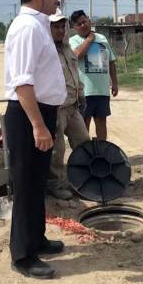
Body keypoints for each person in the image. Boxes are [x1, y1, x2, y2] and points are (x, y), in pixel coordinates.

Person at [4, 0, 66, 279]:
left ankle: (36, 239)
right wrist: (39, 126)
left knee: (38, 182)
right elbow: (23, 83)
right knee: (26, 186)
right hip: (29, 114)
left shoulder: (39, 26)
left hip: (42, 113)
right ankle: (23, 256)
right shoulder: (26, 28)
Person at [48, 11, 90, 200]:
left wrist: (81, 95)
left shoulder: (66, 49)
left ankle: (83, 178)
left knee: (83, 141)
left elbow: (75, 75)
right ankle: (55, 186)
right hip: (57, 109)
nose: (59, 30)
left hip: (73, 106)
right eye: (55, 27)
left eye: (62, 26)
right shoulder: (46, 51)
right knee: (57, 151)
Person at [69, 10, 118, 140]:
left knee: (101, 121)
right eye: (79, 24)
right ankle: (85, 154)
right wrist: (90, 39)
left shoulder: (102, 39)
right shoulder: (73, 41)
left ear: (89, 21)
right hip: (84, 92)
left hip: (102, 90)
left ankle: (102, 151)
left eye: (84, 21)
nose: (83, 25)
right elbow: (78, 55)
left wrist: (115, 83)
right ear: (74, 27)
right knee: (83, 124)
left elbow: (111, 61)